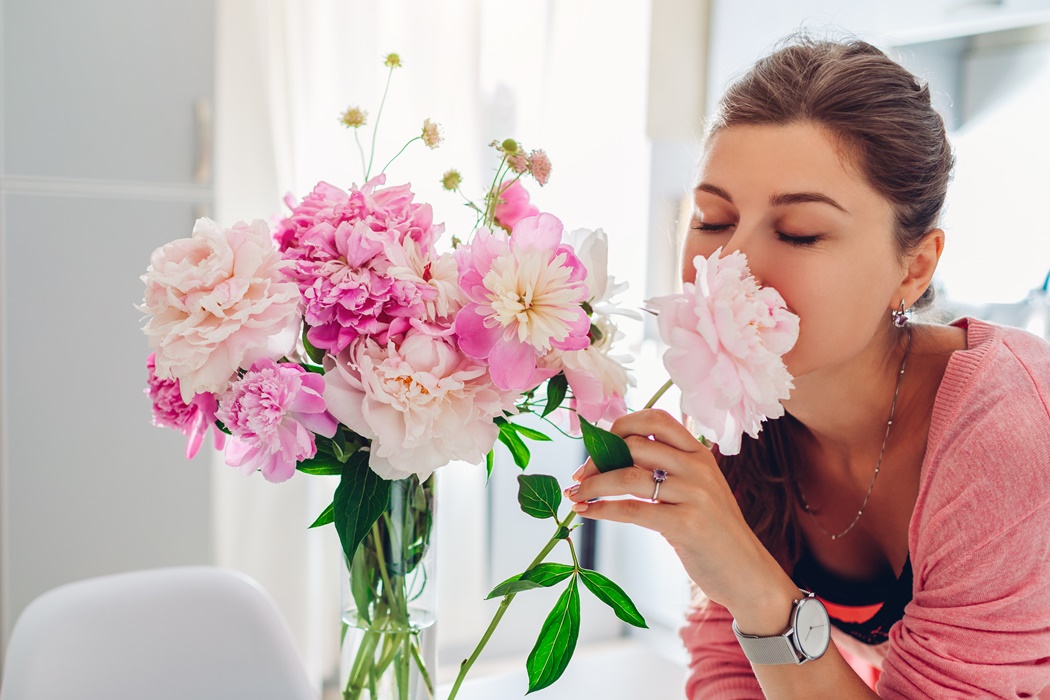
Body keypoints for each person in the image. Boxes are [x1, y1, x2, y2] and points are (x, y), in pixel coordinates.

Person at [565, 36, 1050, 698]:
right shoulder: (741, 414)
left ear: (914, 268)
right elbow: (729, 669)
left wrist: (757, 592)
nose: (728, 265)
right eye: (712, 219)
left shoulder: (1008, 437)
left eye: (799, 233)